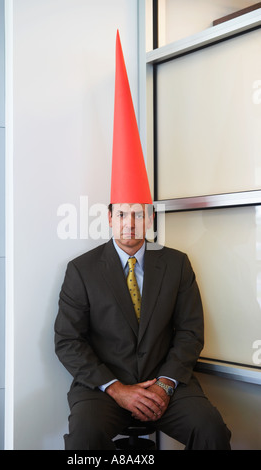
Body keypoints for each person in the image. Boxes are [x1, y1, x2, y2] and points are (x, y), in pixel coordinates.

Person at [54, 31, 231, 450]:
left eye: (139, 213)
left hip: (168, 386)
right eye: (122, 215)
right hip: (105, 390)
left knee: (211, 429)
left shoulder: (177, 264)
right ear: (110, 218)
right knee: (82, 440)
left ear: (149, 218)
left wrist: (165, 384)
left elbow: (190, 332)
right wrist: (117, 388)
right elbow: (68, 341)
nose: (130, 223)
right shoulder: (82, 270)